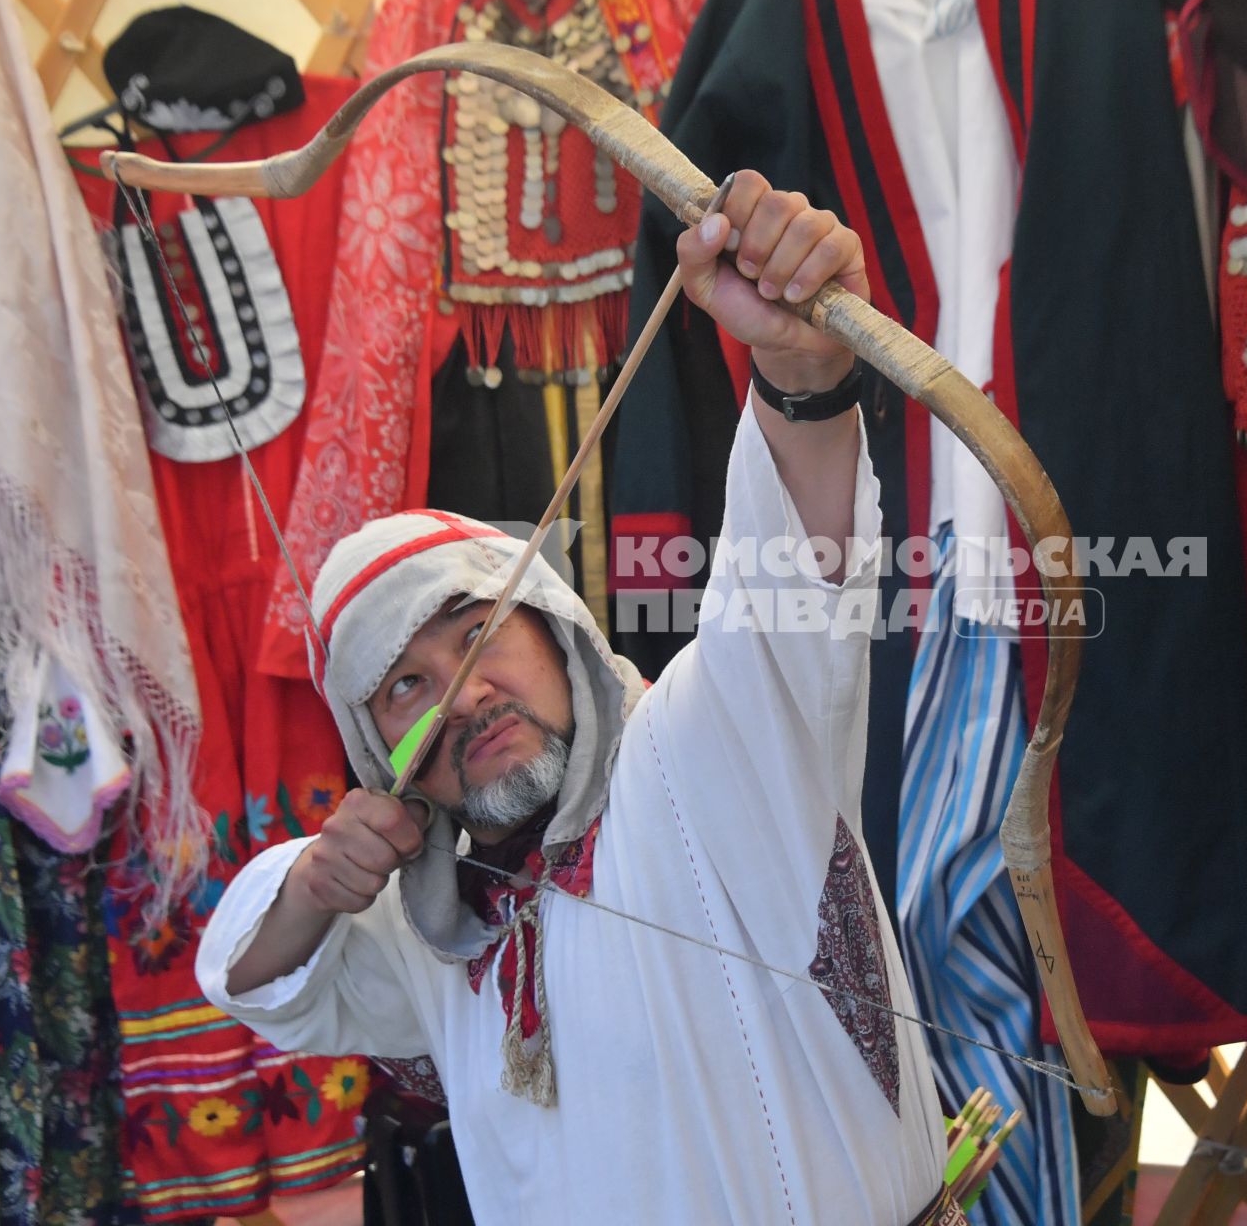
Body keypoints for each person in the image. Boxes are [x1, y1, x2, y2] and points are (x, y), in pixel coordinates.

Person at [196, 172, 964, 1224]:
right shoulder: (433, 918)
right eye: (406, 685)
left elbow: (783, 589)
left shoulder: (698, 747)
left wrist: (798, 372)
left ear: (558, 634)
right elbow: (255, 980)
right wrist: (314, 885)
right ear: (382, 755)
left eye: (478, 635)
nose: (462, 694)